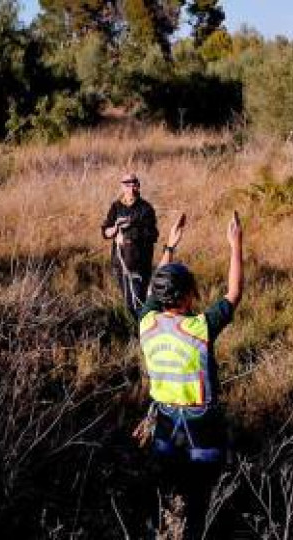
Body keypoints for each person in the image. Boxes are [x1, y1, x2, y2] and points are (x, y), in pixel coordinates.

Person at [133, 211, 243, 540]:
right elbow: (234, 293)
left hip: (165, 418)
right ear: (187, 296)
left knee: (166, 479)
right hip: (202, 420)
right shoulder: (200, 327)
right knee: (201, 487)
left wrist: (170, 245)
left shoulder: (146, 321)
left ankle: (161, 526)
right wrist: (236, 244)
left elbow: (154, 290)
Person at [101, 173, 159, 316]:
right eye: (127, 185)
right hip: (120, 263)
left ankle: (144, 332)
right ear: (122, 187)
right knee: (128, 302)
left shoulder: (146, 208)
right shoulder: (116, 207)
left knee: (138, 302)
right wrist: (115, 229)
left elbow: (153, 234)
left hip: (139, 263)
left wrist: (130, 232)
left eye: (134, 184)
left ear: (138, 186)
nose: (131, 188)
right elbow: (105, 231)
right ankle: (138, 331)